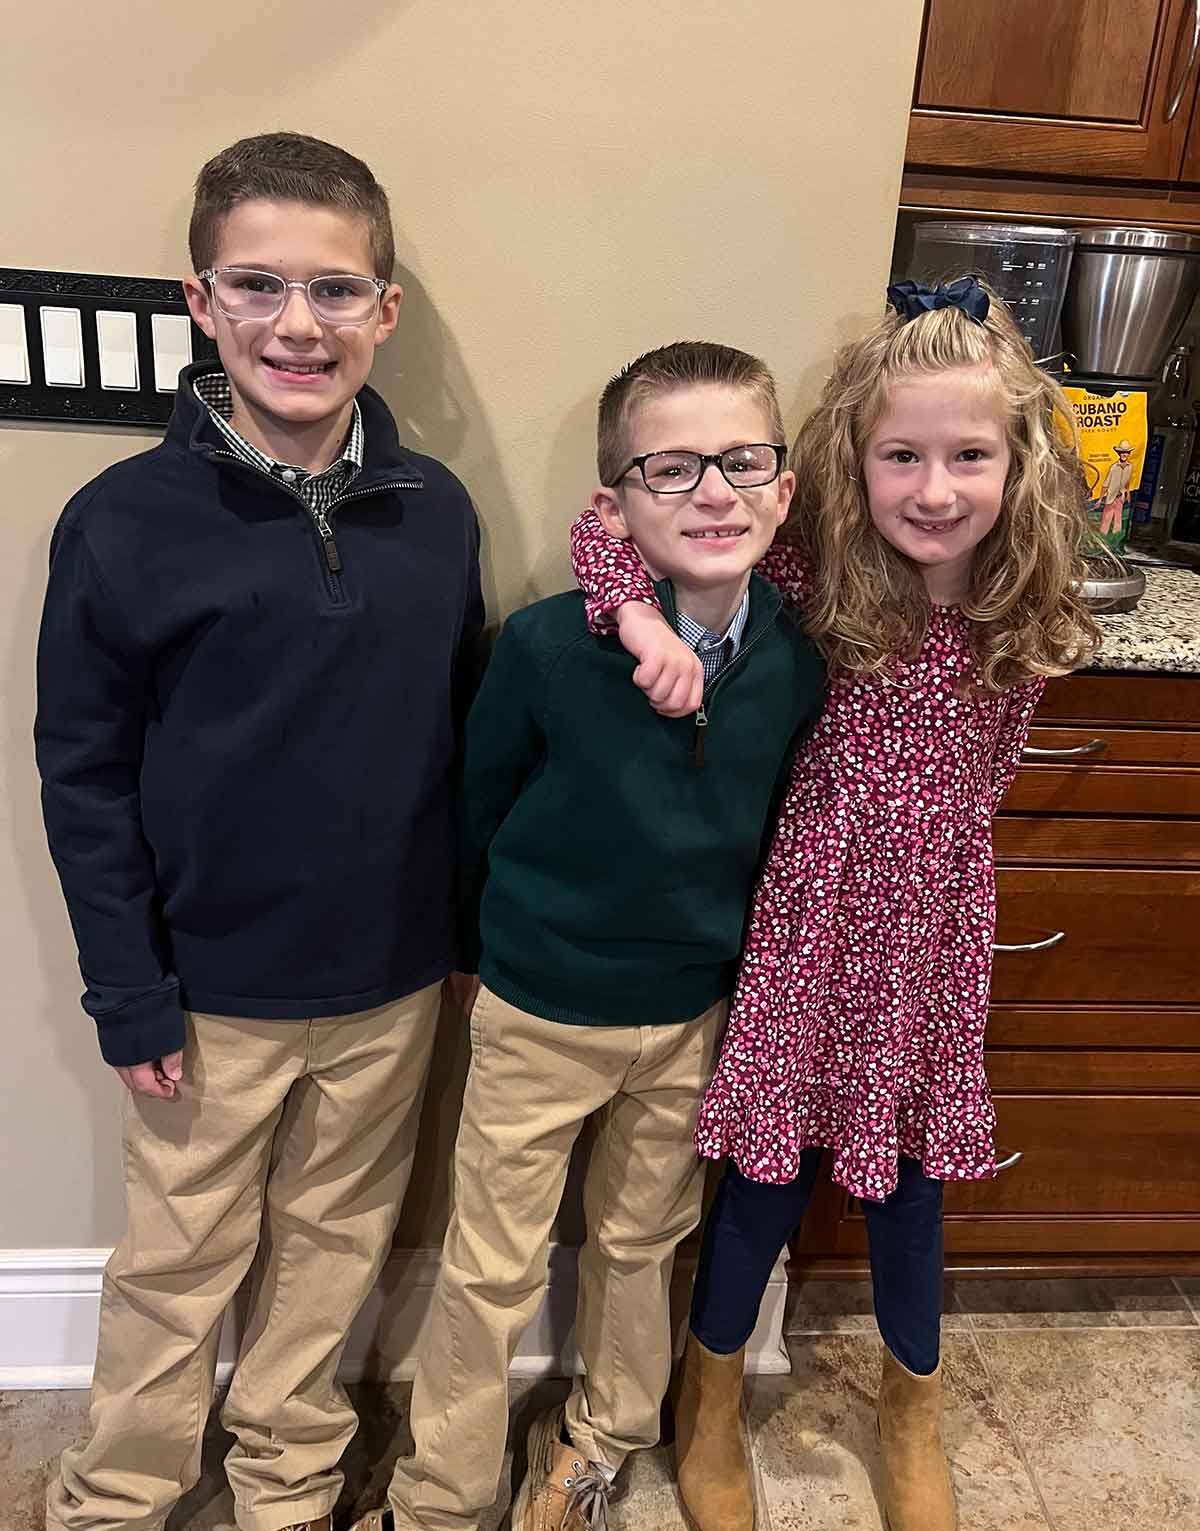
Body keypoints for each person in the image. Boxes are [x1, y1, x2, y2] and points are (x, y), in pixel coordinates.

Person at [569, 278, 1100, 1531]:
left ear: (1015, 464)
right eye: (900, 454)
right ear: (851, 461)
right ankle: (706, 1408)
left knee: (912, 1183)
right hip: (806, 929)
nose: (934, 488)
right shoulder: (811, 573)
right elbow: (605, 534)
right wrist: (643, 624)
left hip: (934, 942)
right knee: (760, 1184)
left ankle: (911, 1412)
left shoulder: (1026, 595)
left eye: (968, 455)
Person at [35, 131, 484, 1531]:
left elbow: (463, 740)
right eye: (259, 285)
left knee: (336, 1247)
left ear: (385, 309)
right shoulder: (120, 522)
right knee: (178, 1261)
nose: (300, 323)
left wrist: (460, 937)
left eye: (337, 290)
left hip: (389, 979)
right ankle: (118, 1492)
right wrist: (127, 986)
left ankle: (287, 1476)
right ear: (200, 301)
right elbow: (84, 770)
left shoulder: (438, 511)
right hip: (205, 993)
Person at [350, 340, 825, 1531]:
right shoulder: (550, 647)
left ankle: (604, 1436)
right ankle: (441, 1494)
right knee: (491, 1262)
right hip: (539, 1004)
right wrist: (472, 954)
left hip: (692, 1013)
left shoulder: (799, 665)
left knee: (641, 1240)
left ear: (783, 486)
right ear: (614, 504)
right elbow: (477, 806)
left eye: (740, 462)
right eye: (671, 468)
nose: (712, 491)